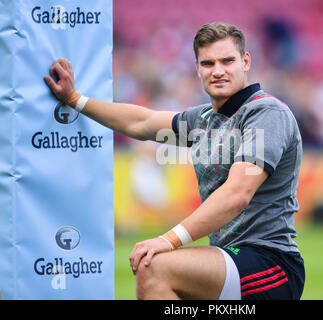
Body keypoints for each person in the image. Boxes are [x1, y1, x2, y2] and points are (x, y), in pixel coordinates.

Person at [44, 22, 305, 300]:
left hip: (271, 263)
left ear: (246, 61)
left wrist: (168, 240)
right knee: (156, 267)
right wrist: (75, 99)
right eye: (208, 63)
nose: (217, 71)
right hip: (228, 259)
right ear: (197, 68)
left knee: (155, 266)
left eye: (227, 61)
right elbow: (141, 122)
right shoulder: (203, 119)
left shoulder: (266, 112)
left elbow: (237, 193)